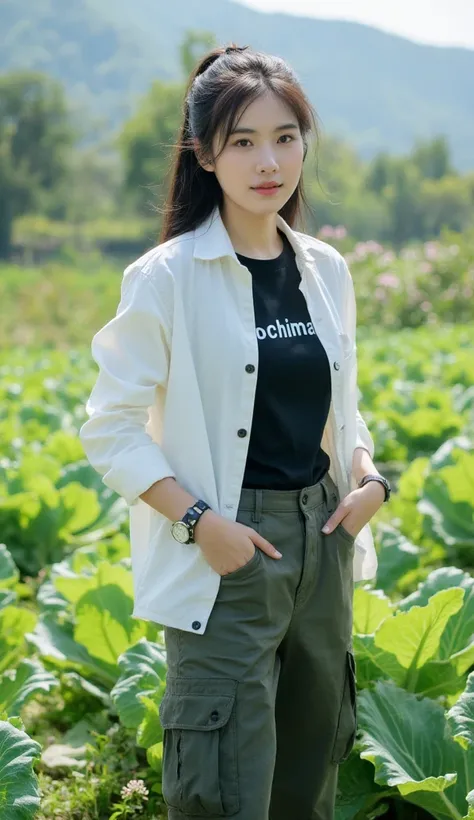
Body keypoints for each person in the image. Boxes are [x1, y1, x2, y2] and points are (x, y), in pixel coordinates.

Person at [79, 44, 391, 820]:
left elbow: (341, 402)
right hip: (225, 545)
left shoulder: (326, 269)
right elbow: (109, 429)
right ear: (205, 152)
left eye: (286, 137)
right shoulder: (167, 277)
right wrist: (198, 521)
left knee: (310, 769)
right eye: (243, 141)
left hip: (323, 535)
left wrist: (368, 476)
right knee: (222, 787)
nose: (269, 161)